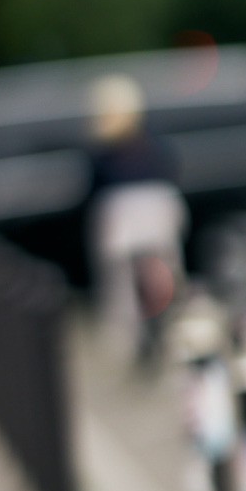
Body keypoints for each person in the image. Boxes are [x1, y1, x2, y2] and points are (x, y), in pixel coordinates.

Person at [85, 74, 187, 366]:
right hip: (149, 218)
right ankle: (157, 335)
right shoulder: (153, 144)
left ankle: (147, 338)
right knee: (152, 281)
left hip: (128, 221)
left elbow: (94, 187)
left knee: (132, 285)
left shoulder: (105, 152)